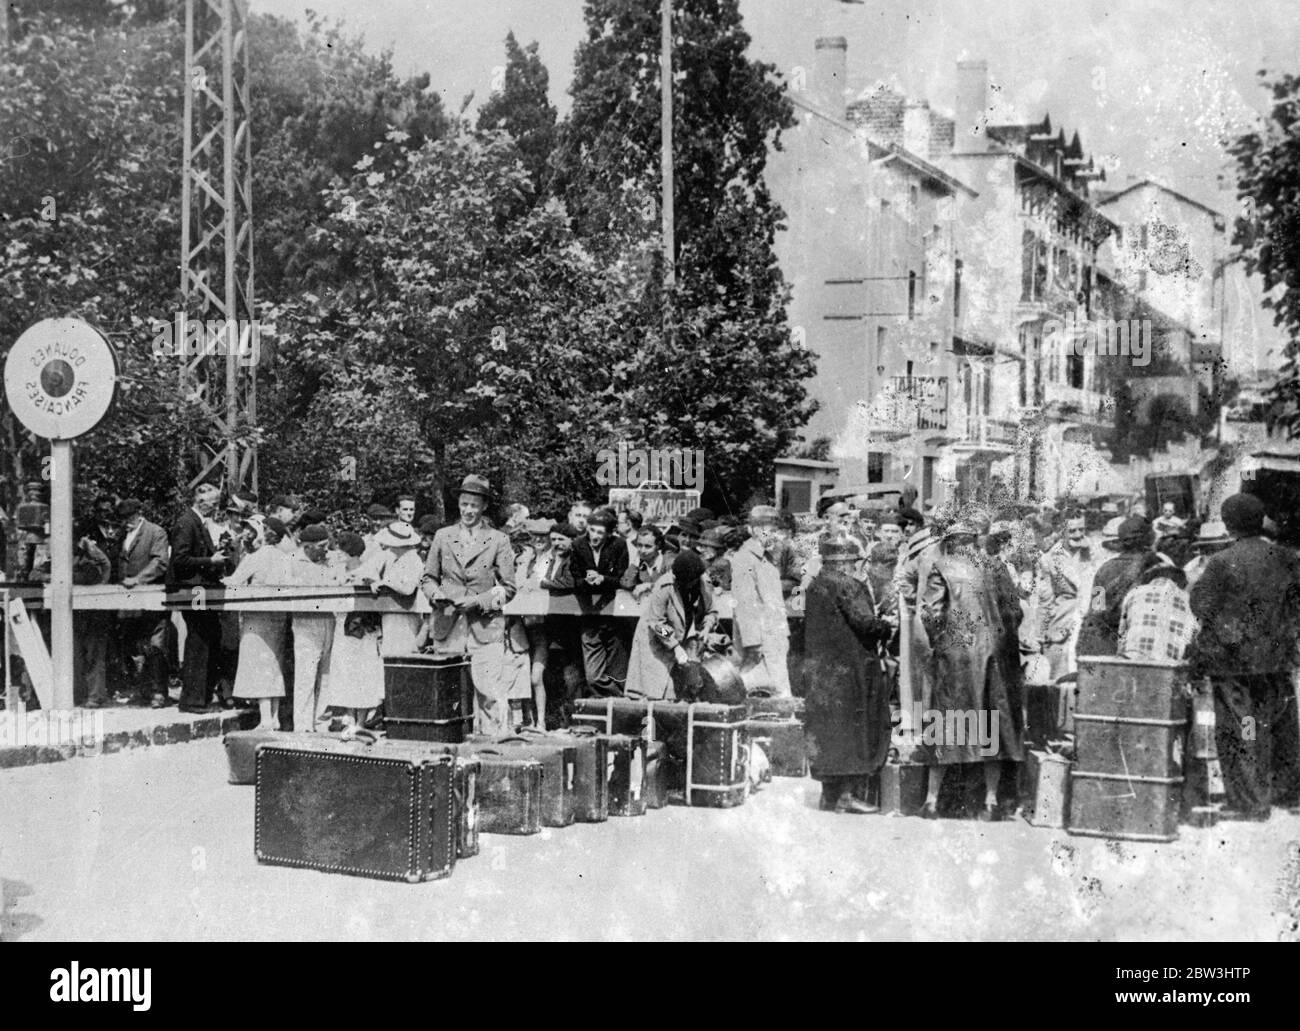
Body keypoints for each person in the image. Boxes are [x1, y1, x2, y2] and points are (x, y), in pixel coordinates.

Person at [1190, 493, 1300, 819]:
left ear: (1228, 524)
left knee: (1245, 728)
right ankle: (1289, 794)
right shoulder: (1288, 558)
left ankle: (1252, 802)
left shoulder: (1223, 562)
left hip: (1236, 665)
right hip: (1278, 662)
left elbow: (1201, 605)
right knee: (1279, 726)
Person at [918, 519, 1025, 820]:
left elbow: (930, 612)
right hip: (995, 657)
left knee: (947, 721)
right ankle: (990, 801)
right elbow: (1014, 611)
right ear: (975, 541)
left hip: (956, 659)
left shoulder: (943, 566)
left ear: (951, 542)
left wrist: (942, 643)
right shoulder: (995, 566)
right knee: (992, 722)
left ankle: (932, 800)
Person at [420, 474, 518, 736]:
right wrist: (435, 595)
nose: (468, 511)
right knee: (448, 690)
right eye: (464, 504)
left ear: (484, 506)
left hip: (484, 626)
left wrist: (477, 601)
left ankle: (495, 743)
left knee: (489, 690)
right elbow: (428, 578)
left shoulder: (499, 540)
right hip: (448, 623)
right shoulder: (442, 536)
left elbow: (509, 589)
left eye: (474, 505)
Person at [804, 537, 895, 814]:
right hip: (851, 670)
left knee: (827, 731)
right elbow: (865, 623)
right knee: (854, 730)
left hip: (822, 673)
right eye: (853, 563)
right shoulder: (847, 585)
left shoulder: (814, 585)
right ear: (844, 563)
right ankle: (846, 796)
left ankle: (827, 796)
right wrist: (886, 626)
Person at [223, 516, 293, 729]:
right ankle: (274, 717)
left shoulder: (256, 557)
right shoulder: (285, 557)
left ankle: (265, 719)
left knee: (259, 664)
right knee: (274, 663)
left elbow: (234, 581)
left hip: (256, 617)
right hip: (278, 617)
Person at [169, 483, 233, 713]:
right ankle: (193, 700)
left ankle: (200, 697)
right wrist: (210, 561)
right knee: (199, 642)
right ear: (200, 500)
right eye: (213, 503)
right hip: (191, 590)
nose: (216, 508)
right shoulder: (187, 523)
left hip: (199, 590)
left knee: (209, 638)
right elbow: (180, 559)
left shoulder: (198, 522)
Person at [626, 549, 721, 701]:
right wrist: (675, 646)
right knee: (654, 689)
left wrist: (707, 628)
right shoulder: (664, 586)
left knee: (679, 691)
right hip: (654, 637)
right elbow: (656, 623)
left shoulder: (704, 583)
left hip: (679, 632)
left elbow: (712, 611)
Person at [323, 531, 385, 727]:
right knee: (345, 673)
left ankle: (360, 722)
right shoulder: (338, 572)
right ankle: (349, 718)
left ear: (351, 552)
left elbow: (374, 598)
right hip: (342, 629)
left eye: (342, 550)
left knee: (363, 674)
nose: (338, 554)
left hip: (362, 632)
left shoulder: (367, 571)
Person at [1076, 516, 1160, 657]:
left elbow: (1096, 608)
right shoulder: (1156, 567)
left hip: (1109, 641)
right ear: (1149, 539)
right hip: (1142, 644)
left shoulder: (1104, 569)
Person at [115, 498, 171, 708]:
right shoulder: (122, 535)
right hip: (128, 602)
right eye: (123, 518)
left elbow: (160, 562)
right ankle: (141, 690)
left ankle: (158, 692)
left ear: (139, 513)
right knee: (134, 647)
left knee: (155, 647)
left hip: (151, 600)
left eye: (129, 517)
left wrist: (138, 579)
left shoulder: (156, 532)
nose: (126, 522)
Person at [731, 505, 792, 696]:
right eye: (772, 531)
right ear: (756, 530)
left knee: (776, 691)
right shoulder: (745, 559)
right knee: (767, 693)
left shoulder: (766, 558)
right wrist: (753, 644)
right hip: (761, 643)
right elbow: (745, 604)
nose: (776, 536)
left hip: (774, 637)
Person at [569, 506, 630, 696]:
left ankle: (617, 711)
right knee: (593, 677)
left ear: (609, 533)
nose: (594, 535)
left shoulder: (618, 545)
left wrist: (603, 579)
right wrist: (586, 581)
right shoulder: (579, 545)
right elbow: (574, 578)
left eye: (600, 532)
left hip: (615, 618)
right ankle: (619, 699)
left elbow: (623, 579)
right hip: (589, 616)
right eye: (592, 530)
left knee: (618, 672)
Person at [287, 524, 339, 732]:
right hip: (305, 622)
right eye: (322, 546)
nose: (326, 549)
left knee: (327, 674)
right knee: (305, 676)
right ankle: (302, 726)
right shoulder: (291, 561)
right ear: (308, 546)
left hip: (328, 618)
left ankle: (322, 722)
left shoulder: (329, 560)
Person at [1035, 513, 1094, 679]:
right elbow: (1045, 601)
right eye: (1072, 530)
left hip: (1088, 623)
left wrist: (1097, 614)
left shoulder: (1094, 553)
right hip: (1062, 623)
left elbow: (1100, 590)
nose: (1078, 535)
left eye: (1081, 529)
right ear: (1062, 531)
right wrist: (1039, 635)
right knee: (1060, 677)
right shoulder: (1049, 559)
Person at [1117, 559, 1198, 663]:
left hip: (1133, 659)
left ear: (1150, 578)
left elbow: (1122, 635)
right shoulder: (1188, 599)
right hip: (1170, 664)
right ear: (1180, 582)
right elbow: (1194, 637)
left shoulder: (1134, 593)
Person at [622, 523, 670, 599]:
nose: (642, 550)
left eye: (648, 546)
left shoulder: (667, 562)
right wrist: (635, 564)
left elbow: (672, 589)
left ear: (658, 546)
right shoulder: (639, 564)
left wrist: (650, 586)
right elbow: (626, 584)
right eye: (639, 545)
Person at [1183, 520, 1230, 588]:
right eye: (1207, 548)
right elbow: (1186, 574)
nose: (1211, 552)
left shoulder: (1227, 561)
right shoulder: (1197, 561)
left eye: (1214, 548)